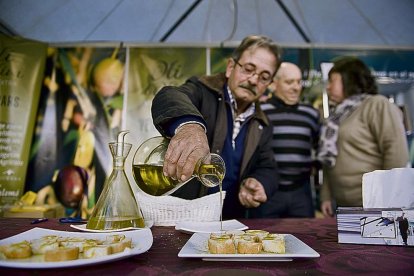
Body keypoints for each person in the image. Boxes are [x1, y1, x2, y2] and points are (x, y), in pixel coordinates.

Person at [151, 35, 281, 219]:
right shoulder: (203, 92)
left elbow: (268, 167)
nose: (253, 80)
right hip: (185, 217)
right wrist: (190, 126)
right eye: (248, 69)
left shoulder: (263, 123)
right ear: (230, 67)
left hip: (232, 221)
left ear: (269, 84)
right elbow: (169, 95)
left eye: (264, 77)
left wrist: (260, 182)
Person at [317, 56, 409, 217]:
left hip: (374, 205)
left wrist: (388, 199)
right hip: (343, 206)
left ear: (349, 79)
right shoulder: (337, 115)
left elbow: (395, 151)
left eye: (332, 81)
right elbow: (329, 160)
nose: (328, 88)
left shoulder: (376, 104)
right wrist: (326, 195)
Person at [259, 62, 321, 218]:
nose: (296, 87)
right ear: (273, 84)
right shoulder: (260, 112)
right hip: (268, 192)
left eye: (299, 82)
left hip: (301, 192)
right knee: (264, 237)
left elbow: (319, 147)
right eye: (289, 82)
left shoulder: (311, 114)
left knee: (306, 237)